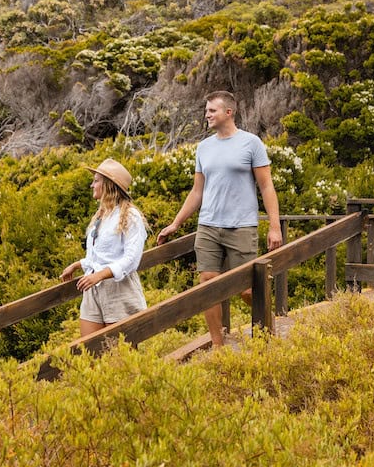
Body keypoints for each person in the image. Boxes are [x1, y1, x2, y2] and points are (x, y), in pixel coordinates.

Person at [156, 91, 282, 347]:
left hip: (242, 226)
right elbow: (197, 191)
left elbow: (267, 186)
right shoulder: (204, 147)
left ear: (228, 112)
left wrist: (275, 226)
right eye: (207, 110)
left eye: (212, 110)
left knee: (248, 288)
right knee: (208, 285)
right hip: (209, 226)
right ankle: (218, 344)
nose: (207, 115)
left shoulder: (251, 143)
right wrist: (176, 223)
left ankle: (266, 333)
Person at [61, 158, 148, 336]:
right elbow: (102, 256)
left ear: (108, 185)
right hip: (92, 288)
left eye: (96, 181)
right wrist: (78, 264)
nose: (92, 185)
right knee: (91, 352)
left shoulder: (131, 216)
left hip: (118, 289)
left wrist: (100, 275)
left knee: (121, 355)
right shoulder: (101, 216)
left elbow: (131, 259)